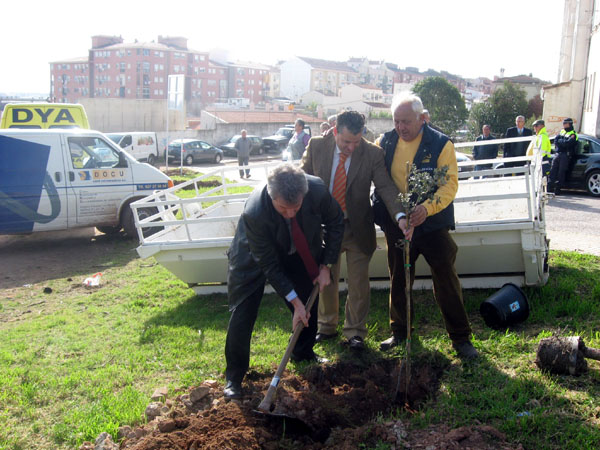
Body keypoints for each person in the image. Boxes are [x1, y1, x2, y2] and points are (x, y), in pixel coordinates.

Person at [223, 164, 344, 399]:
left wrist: (326, 265)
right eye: (283, 208)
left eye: (296, 207)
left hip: (297, 249)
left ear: (304, 194)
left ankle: (304, 352)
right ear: (271, 196)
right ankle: (234, 377)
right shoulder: (255, 212)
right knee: (243, 312)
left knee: (308, 295)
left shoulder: (316, 189)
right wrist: (293, 301)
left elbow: (336, 222)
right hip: (252, 256)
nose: (290, 213)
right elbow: (268, 265)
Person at [375, 93, 478, 360]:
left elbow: (450, 184)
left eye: (406, 121)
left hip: (432, 224)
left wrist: (426, 208)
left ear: (423, 118)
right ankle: (400, 332)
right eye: (397, 121)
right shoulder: (384, 142)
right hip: (397, 224)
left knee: (445, 278)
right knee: (398, 278)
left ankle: (461, 338)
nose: (401, 128)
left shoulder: (441, 143)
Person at [301, 111, 402, 350]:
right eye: (346, 142)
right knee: (327, 278)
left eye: (356, 142)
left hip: (357, 227)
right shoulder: (316, 146)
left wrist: (400, 215)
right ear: (335, 131)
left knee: (358, 282)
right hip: (325, 228)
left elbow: (385, 186)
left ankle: (355, 332)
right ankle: (326, 326)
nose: (351, 147)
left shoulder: (373, 153)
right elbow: (300, 178)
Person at [548, 117, 578, 195]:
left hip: (565, 155)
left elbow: (567, 144)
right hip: (557, 154)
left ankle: (558, 189)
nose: (563, 125)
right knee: (553, 171)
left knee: (561, 173)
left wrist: (561, 142)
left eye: (565, 123)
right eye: (563, 123)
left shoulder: (573, 134)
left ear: (569, 124)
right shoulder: (562, 131)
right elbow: (556, 141)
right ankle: (549, 188)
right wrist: (562, 142)